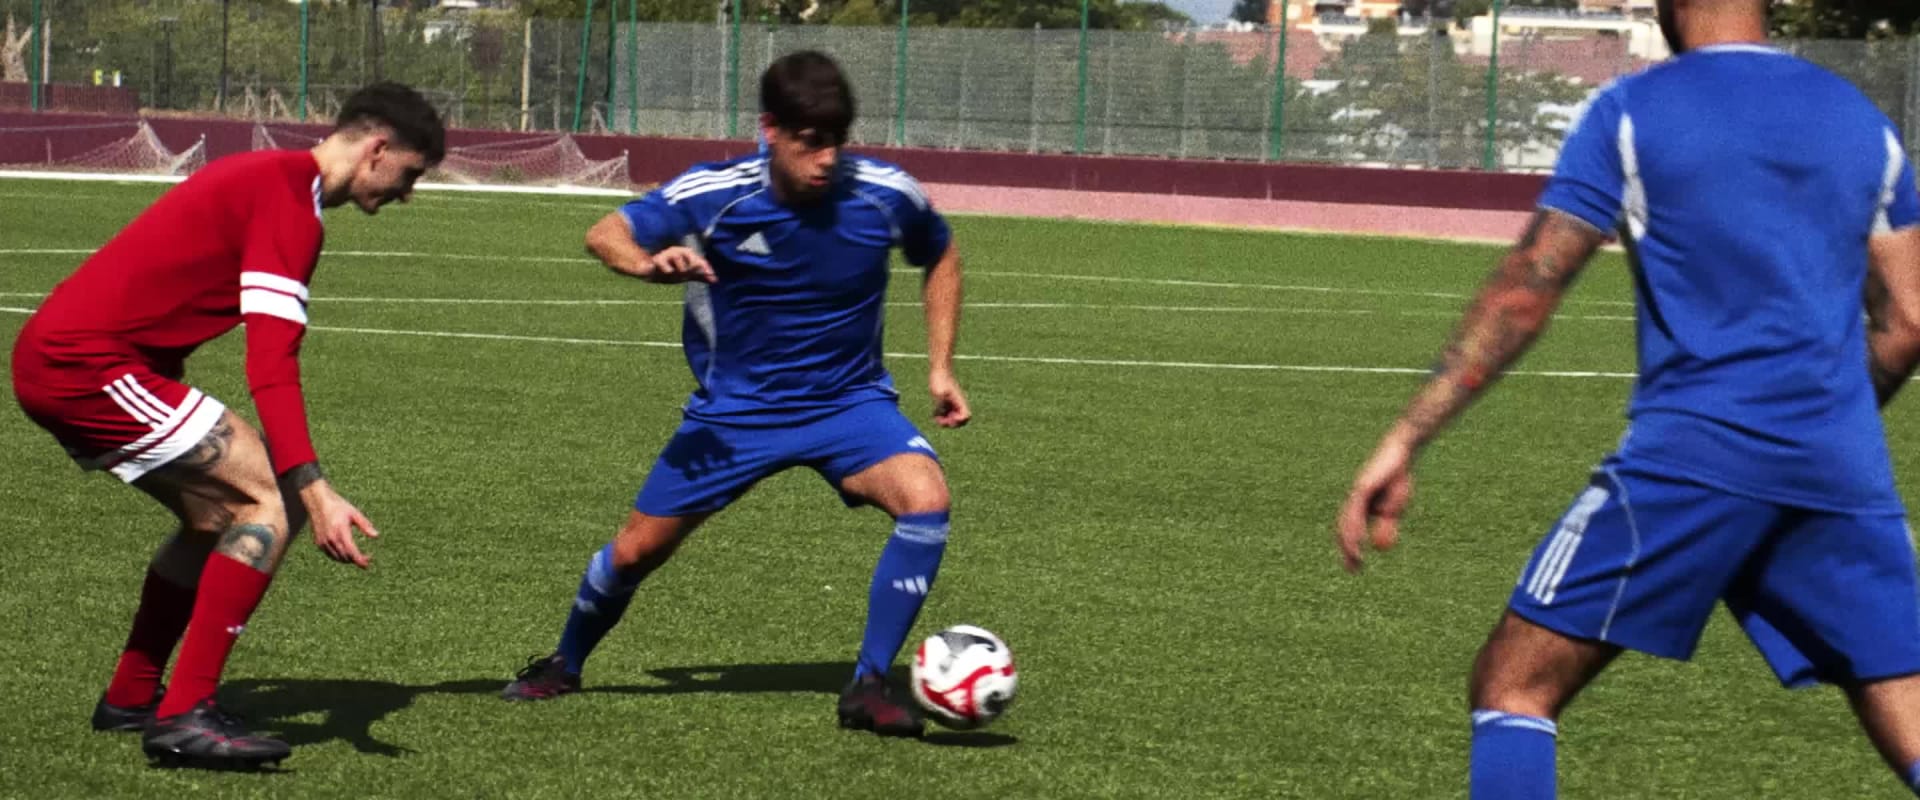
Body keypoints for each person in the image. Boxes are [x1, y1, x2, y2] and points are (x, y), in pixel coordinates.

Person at [1334, 0, 1920, 796]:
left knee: (1514, 686)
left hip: (1694, 455)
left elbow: (1526, 291)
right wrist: (1818, 424)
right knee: (1908, 708)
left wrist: (1406, 437)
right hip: (1840, 465)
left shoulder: (1635, 109)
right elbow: (1908, 320)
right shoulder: (1862, 123)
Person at [500, 50, 970, 739]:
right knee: (634, 553)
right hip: (736, 417)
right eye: (810, 142)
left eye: (836, 141)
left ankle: (869, 684)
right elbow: (606, 233)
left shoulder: (884, 191)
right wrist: (648, 266)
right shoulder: (717, 192)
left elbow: (943, 254)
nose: (825, 159)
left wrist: (940, 367)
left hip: (850, 405)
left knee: (927, 500)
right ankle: (564, 662)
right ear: (770, 129)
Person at [11, 82, 445, 768]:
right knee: (271, 502)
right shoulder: (289, 205)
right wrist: (315, 486)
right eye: (411, 174)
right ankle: (185, 715)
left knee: (218, 517)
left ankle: (132, 695)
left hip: (79, 361)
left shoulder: (271, 180)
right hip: (84, 366)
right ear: (377, 149)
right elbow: (271, 364)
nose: (407, 193)